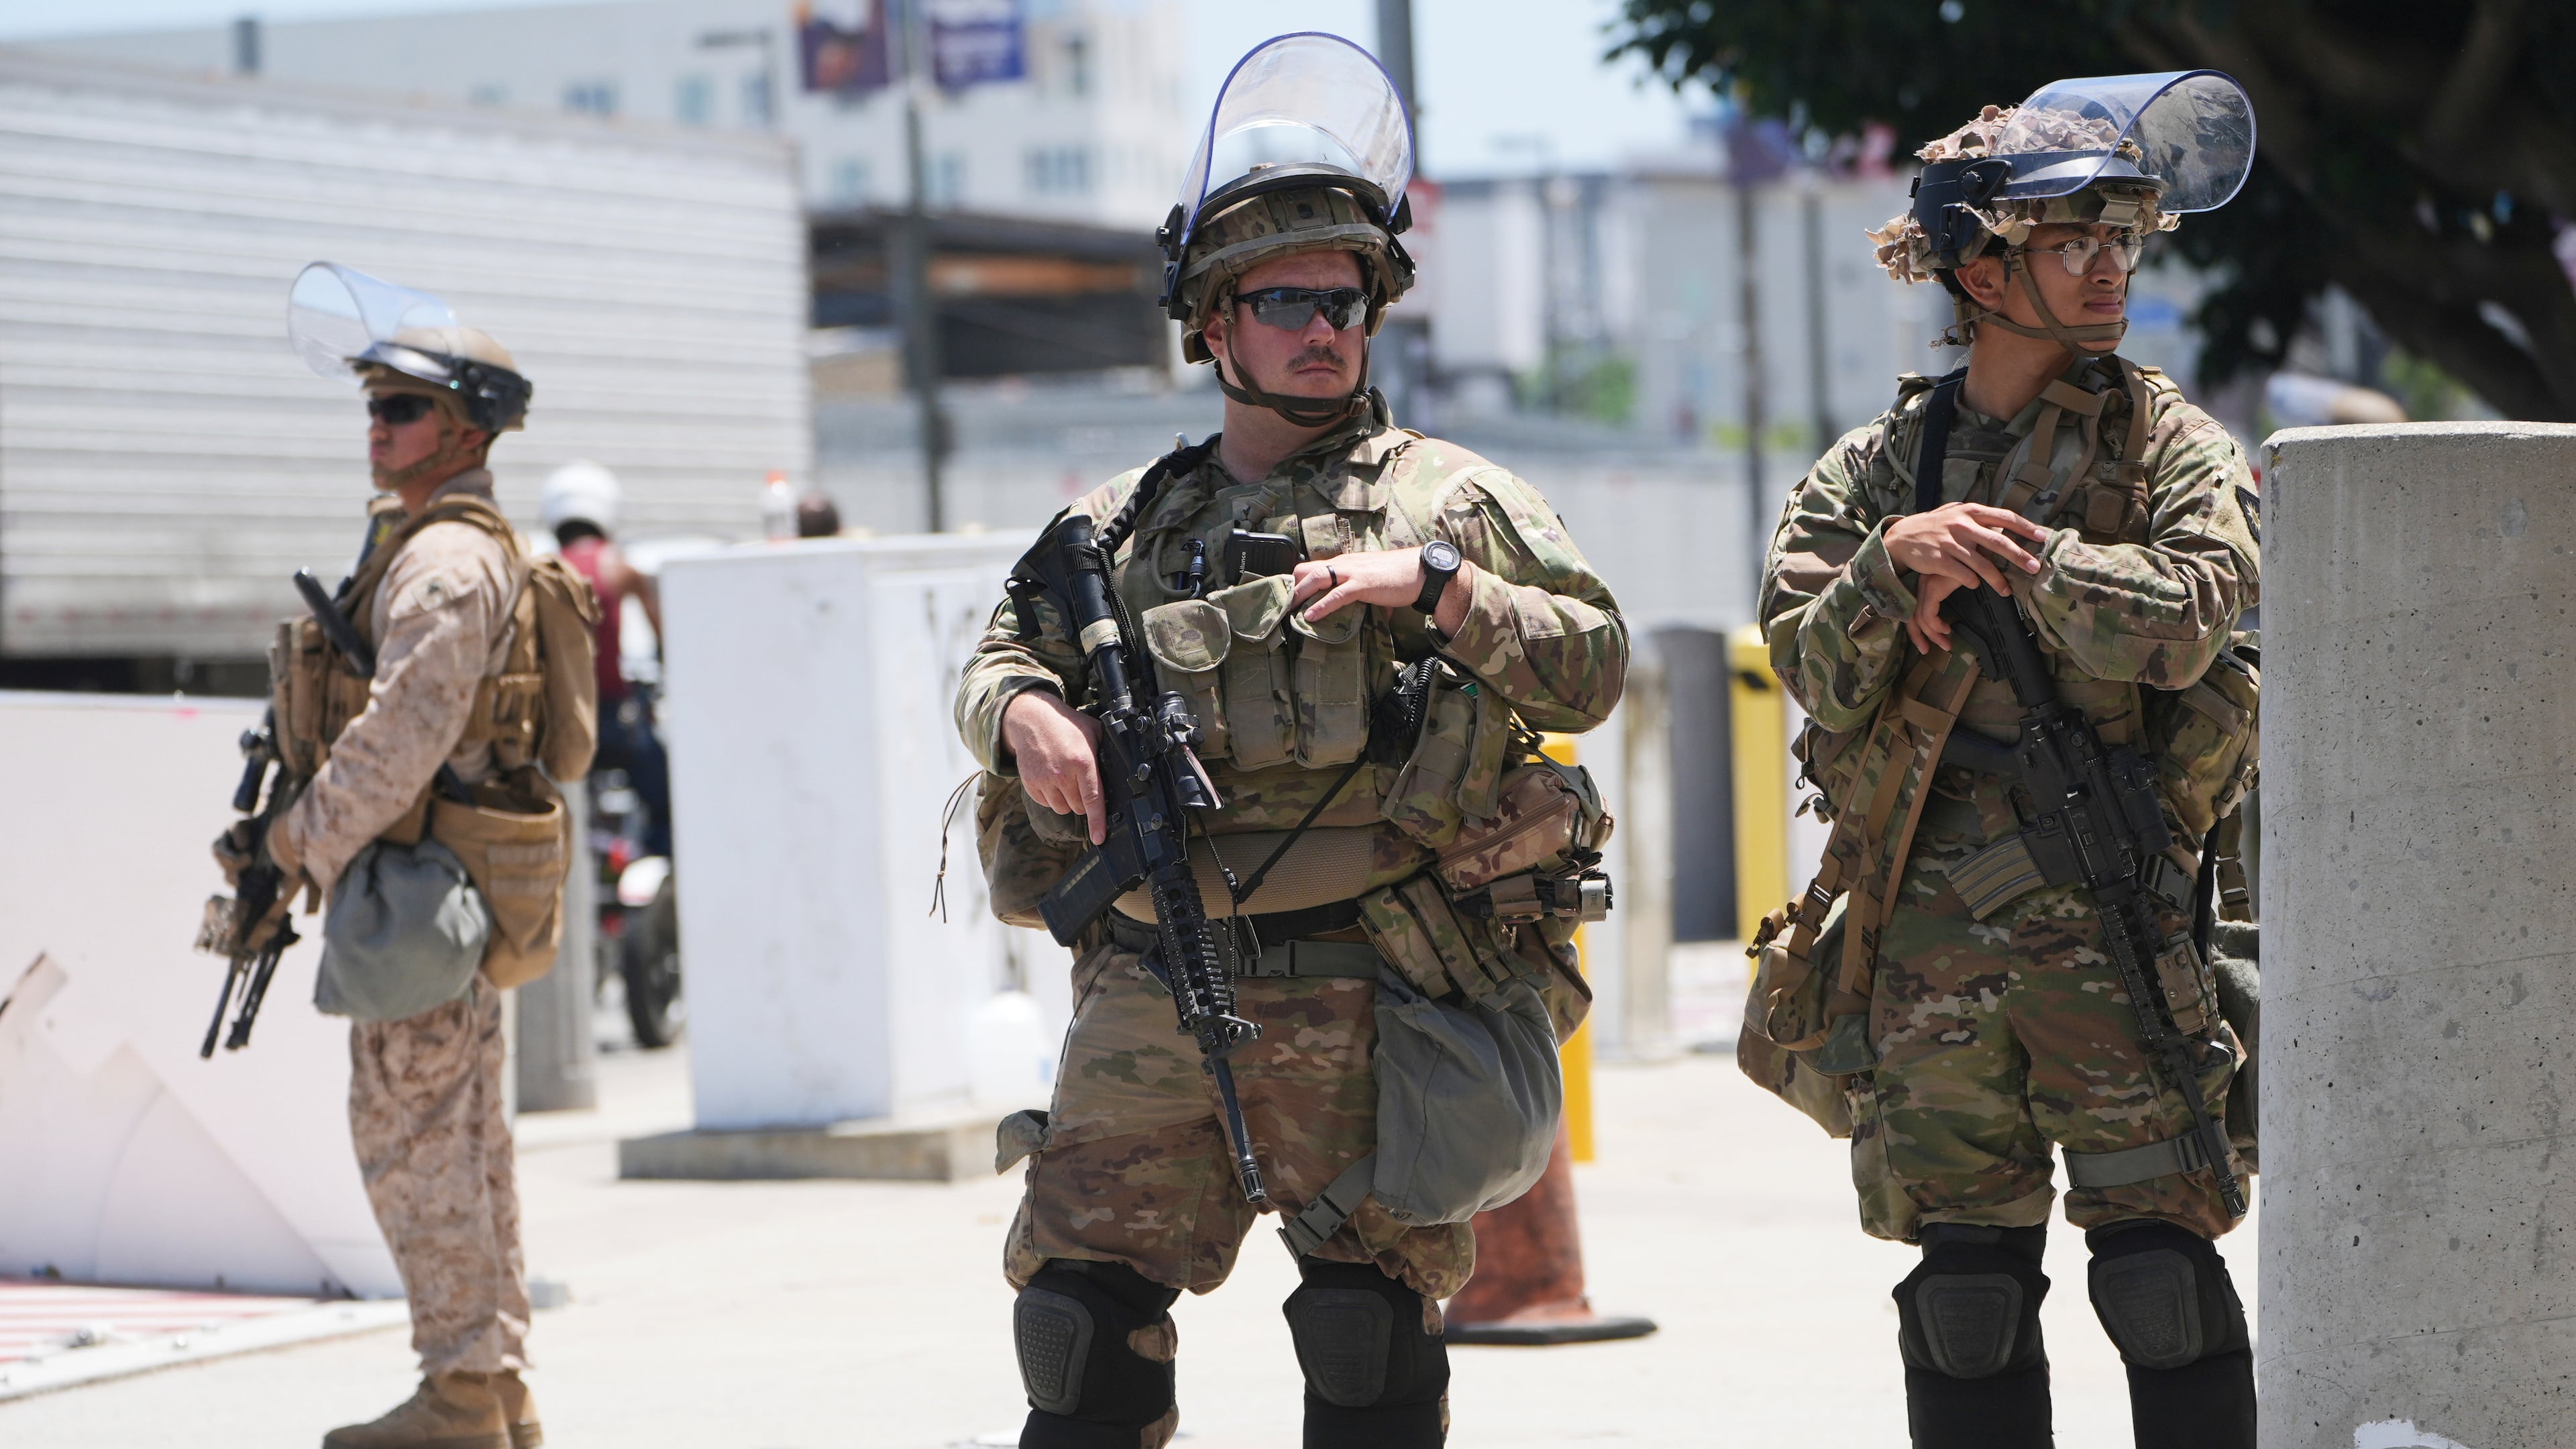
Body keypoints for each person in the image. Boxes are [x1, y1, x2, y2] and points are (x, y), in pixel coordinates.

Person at [955, 34, 1625, 1449]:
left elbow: (1593, 665)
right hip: (1155, 975)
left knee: (1365, 1337)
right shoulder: (1119, 525)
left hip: (1378, 975)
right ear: (1212, 323)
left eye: (1346, 299)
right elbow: (998, 650)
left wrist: (1439, 589)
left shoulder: (1450, 497)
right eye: (1283, 303)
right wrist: (1024, 717)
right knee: (1076, 1329)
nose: (1324, 327)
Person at [1761, 76, 2264, 1448]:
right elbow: (1804, 655)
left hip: (2113, 921)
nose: (2111, 270)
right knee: (1964, 1300)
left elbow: (2194, 615)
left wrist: (2021, 560)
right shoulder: (1879, 468)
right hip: (1923, 941)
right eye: (2072, 242)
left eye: (2125, 241)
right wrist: (1893, 565)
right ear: (1982, 267)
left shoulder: (2168, 443)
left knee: (2163, 1280)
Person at [256, 278, 564, 1449]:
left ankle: (461, 1396)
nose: (375, 427)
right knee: (466, 1143)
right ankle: (492, 1387)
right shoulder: (442, 543)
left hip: (421, 888)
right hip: (439, 884)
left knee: (416, 1145)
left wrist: (297, 840)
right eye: (373, 405)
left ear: (468, 430)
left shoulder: (442, 563)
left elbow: (401, 736)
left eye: (400, 407)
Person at [541, 461, 670, 859]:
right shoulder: (618, 568)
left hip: (557, 723)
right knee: (665, 796)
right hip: (613, 720)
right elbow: (663, 634)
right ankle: (659, 862)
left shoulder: (542, 573)